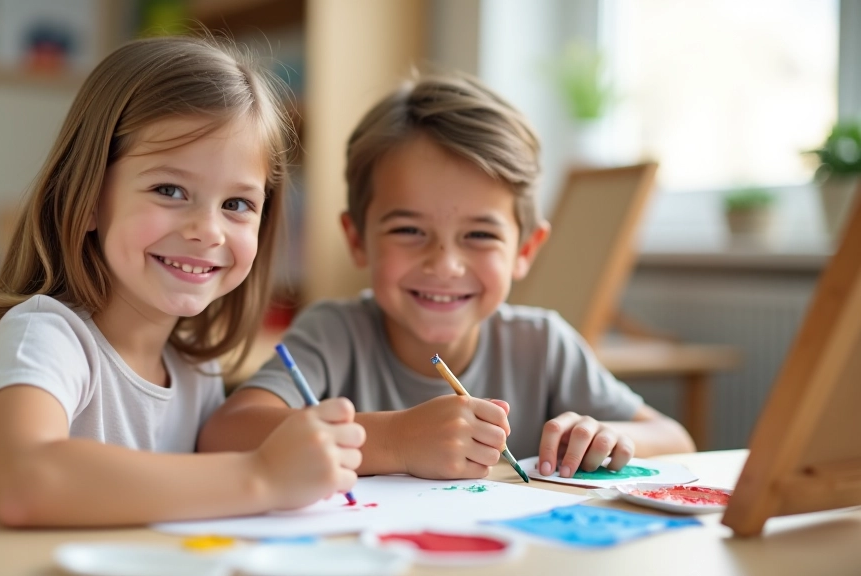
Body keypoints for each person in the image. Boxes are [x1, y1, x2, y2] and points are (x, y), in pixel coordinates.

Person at [0, 35, 364, 527]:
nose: (207, 231)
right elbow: (25, 482)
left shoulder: (196, 373)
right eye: (170, 190)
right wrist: (261, 475)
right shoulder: (44, 336)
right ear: (85, 200)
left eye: (237, 204)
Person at [199, 72, 694, 480]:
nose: (444, 264)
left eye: (479, 235)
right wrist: (394, 440)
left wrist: (608, 439)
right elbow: (226, 432)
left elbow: (675, 439)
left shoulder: (542, 343)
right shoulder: (333, 333)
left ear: (525, 250)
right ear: (356, 239)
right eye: (410, 230)